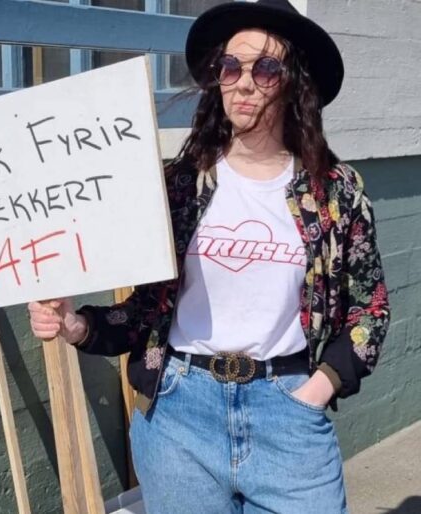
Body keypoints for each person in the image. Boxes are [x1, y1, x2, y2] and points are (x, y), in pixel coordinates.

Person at [28, 1, 389, 512]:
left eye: (266, 68)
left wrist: (318, 389)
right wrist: (78, 326)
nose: (244, 82)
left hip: (287, 412)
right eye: (231, 65)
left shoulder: (334, 192)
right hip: (180, 413)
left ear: (294, 83)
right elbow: (144, 312)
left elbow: (369, 310)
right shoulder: (182, 186)